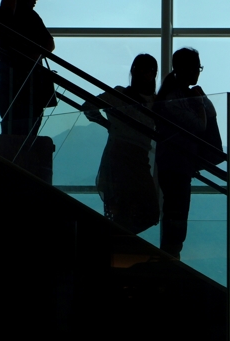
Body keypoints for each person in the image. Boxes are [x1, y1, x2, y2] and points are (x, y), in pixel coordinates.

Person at [81, 54, 160, 234]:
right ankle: (117, 244)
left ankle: (115, 243)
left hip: (130, 158)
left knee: (131, 210)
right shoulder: (144, 100)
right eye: (142, 69)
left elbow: (88, 107)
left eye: (147, 70)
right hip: (127, 157)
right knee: (139, 210)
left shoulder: (127, 97)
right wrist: (108, 125)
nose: (144, 73)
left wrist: (109, 125)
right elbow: (88, 106)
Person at [154, 47, 216, 258]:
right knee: (176, 215)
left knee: (176, 215)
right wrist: (200, 101)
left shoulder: (175, 95)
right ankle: (170, 257)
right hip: (176, 166)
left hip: (178, 165)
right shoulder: (175, 99)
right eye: (196, 67)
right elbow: (201, 124)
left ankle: (170, 255)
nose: (198, 72)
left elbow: (209, 115)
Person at [0, 0, 56, 140]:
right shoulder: (10, 15)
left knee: (16, 138)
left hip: (24, 88)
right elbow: (48, 43)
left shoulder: (30, 16)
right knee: (21, 139)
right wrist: (34, 54)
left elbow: (50, 43)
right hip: (19, 88)